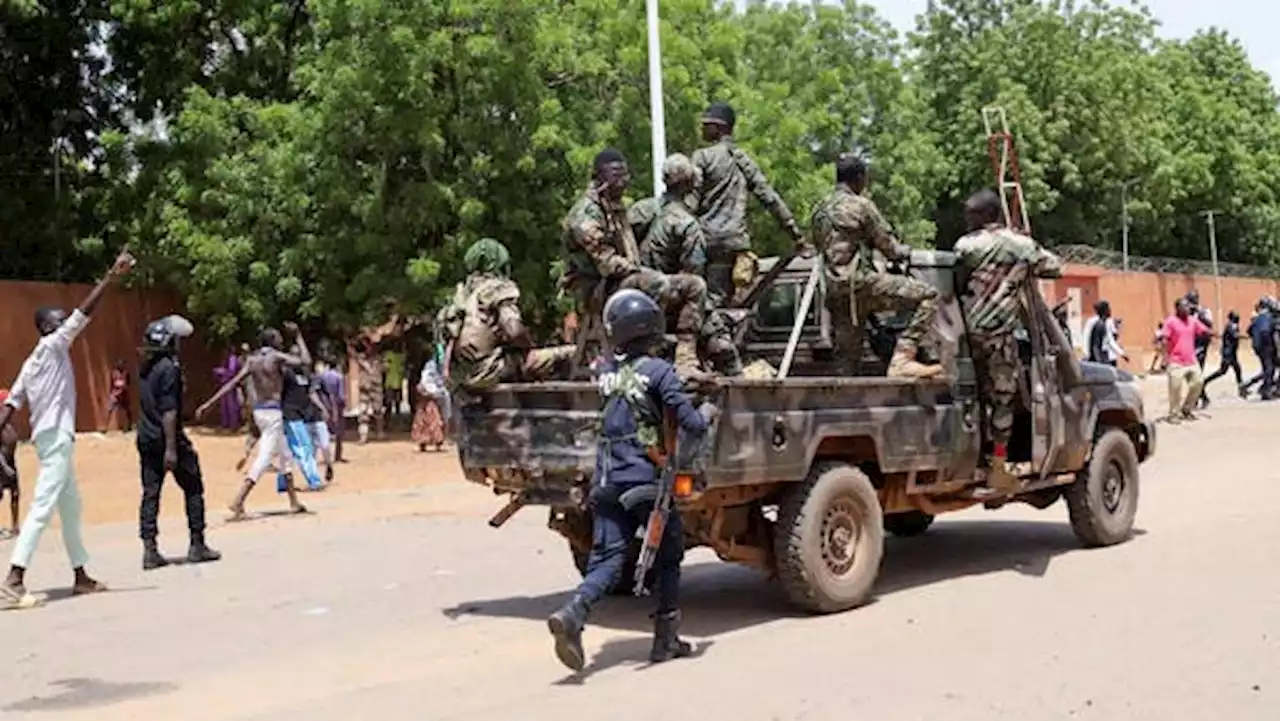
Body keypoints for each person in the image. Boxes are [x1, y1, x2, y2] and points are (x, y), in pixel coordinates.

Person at [546, 289, 709, 672]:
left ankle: (573, 612)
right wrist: (708, 413)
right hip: (645, 484)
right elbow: (691, 423)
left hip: (605, 481)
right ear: (649, 327)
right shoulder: (658, 371)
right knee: (669, 557)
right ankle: (665, 640)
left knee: (606, 560)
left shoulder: (604, 372)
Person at [0, 250, 134, 608]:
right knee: (43, 505)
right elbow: (84, 312)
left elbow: (10, 404)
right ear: (47, 327)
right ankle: (14, 578)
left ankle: (80, 576)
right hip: (56, 437)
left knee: (71, 506)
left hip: (49, 439)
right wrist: (111, 276)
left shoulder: (32, 364)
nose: (66, 325)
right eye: (60, 321)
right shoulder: (52, 344)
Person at [561, 149, 710, 374]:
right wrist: (641, 270)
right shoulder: (586, 214)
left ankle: (685, 360)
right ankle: (647, 353)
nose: (622, 183)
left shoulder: (616, 207)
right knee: (657, 283)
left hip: (622, 282)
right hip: (596, 289)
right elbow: (608, 263)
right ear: (599, 177)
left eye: (625, 176)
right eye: (616, 176)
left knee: (694, 285)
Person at [953, 190, 1063, 490]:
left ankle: (975, 459)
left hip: (966, 335)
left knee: (972, 398)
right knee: (1003, 401)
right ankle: (998, 466)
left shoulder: (965, 246)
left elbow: (958, 281)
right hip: (1001, 336)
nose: (967, 221)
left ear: (983, 215)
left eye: (971, 216)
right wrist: (1024, 247)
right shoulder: (1020, 246)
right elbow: (1054, 267)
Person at [810, 153, 941, 379]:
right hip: (861, 284)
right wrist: (905, 251)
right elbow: (888, 247)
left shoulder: (819, 210)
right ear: (859, 177)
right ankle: (902, 359)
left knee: (847, 360)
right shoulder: (861, 206)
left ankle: (846, 404)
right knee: (928, 296)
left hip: (835, 291)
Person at [637, 154, 741, 376]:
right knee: (723, 346)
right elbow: (693, 275)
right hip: (672, 305)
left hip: (639, 295)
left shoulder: (641, 210)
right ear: (689, 184)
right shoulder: (687, 225)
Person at [691, 101, 804, 305]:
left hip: (709, 242)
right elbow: (770, 198)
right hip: (737, 244)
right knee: (735, 301)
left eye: (707, 124)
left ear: (720, 127)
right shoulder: (744, 160)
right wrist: (795, 234)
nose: (702, 128)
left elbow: (690, 200)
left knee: (710, 303)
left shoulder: (702, 157)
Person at [195, 323, 310, 521]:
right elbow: (305, 361)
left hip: (259, 412)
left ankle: (293, 501)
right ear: (272, 341)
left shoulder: (252, 360)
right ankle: (238, 500)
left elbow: (232, 383)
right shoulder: (276, 357)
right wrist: (298, 335)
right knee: (264, 457)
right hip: (273, 412)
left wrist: (209, 403)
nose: (281, 340)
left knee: (285, 455)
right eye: (278, 337)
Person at [135, 315, 221, 570]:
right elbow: (169, 410)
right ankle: (197, 544)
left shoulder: (145, 367)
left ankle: (149, 549)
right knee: (193, 486)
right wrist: (172, 448)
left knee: (151, 492)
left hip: (146, 437)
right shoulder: (169, 368)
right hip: (166, 438)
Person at [440, 238, 576, 393]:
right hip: (489, 371)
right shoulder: (496, 288)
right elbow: (514, 331)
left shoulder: (460, 295)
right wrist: (529, 347)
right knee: (569, 353)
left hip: (461, 378)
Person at [276, 356, 325, 492]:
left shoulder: (305, 376)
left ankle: (283, 483)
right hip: (290, 415)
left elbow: (309, 395)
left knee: (287, 451)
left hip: (298, 416)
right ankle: (314, 480)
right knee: (304, 447)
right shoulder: (286, 374)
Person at [1160, 297, 1213, 423]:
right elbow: (1164, 339)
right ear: (1177, 308)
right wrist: (1164, 358)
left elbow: (1204, 330)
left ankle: (1186, 409)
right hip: (1175, 361)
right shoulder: (1170, 321)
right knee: (1175, 388)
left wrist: (1216, 333)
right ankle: (1173, 414)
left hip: (1191, 360)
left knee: (1198, 383)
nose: (1188, 308)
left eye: (1189, 306)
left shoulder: (1193, 321)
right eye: (1185, 306)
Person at [412, 354, 447, 452]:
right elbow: (422, 387)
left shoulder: (436, 373)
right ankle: (424, 443)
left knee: (434, 422)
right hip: (427, 402)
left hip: (432, 401)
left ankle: (437, 443)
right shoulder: (427, 374)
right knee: (425, 422)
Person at [1202, 310, 1242, 397]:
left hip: (1231, 352)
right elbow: (1235, 335)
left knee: (1237, 369)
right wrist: (1245, 336)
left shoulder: (1232, 325)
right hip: (1228, 353)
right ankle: (1205, 381)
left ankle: (1241, 388)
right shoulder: (1231, 326)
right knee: (1222, 371)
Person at [1241, 299, 1275, 400]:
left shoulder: (1258, 317)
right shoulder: (1267, 316)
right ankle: (1266, 391)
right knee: (1269, 369)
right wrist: (1270, 343)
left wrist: (1256, 338)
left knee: (1266, 369)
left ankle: (1262, 388)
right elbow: (1265, 331)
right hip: (1265, 346)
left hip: (1257, 347)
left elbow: (1249, 331)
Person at [1185, 290, 1214, 408]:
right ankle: (1200, 397)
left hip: (1201, 345)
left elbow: (1210, 325)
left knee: (1196, 373)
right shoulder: (1187, 312)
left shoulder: (1205, 311)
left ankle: (1198, 398)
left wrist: (1199, 314)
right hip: (1189, 345)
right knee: (1190, 374)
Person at [316, 355, 347, 462]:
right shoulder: (339, 377)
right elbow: (341, 395)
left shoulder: (321, 376)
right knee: (339, 431)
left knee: (324, 430)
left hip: (324, 405)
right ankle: (337, 456)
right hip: (336, 406)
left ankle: (325, 456)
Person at [354, 338, 385, 444]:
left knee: (378, 410)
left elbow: (385, 368)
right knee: (363, 411)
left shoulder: (378, 359)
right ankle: (363, 435)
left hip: (376, 387)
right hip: (365, 388)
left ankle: (380, 432)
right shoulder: (361, 359)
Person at [1083, 301, 1127, 366]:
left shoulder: (1105, 323)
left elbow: (1110, 340)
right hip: (1099, 357)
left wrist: (1122, 353)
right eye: (1108, 309)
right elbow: (1094, 345)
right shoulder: (1098, 324)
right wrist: (1098, 362)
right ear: (1104, 311)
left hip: (1105, 356)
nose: (1110, 310)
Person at [0, 391, 18, 540]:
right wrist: (5, 467)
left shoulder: (9, 425)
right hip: (1, 464)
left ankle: (15, 527)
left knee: (15, 493)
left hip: (10, 462)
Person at [213, 349, 243, 431]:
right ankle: (225, 424)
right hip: (224, 384)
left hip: (231, 385)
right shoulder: (227, 358)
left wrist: (220, 371)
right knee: (224, 406)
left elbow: (231, 372)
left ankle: (233, 425)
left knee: (231, 406)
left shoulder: (232, 358)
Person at [106, 358, 132, 432]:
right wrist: (112, 392)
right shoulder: (114, 373)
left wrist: (124, 389)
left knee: (127, 410)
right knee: (110, 409)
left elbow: (128, 382)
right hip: (115, 393)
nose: (121, 366)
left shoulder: (126, 373)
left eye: (122, 364)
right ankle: (105, 427)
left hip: (124, 392)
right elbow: (112, 383)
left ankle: (129, 425)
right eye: (120, 364)